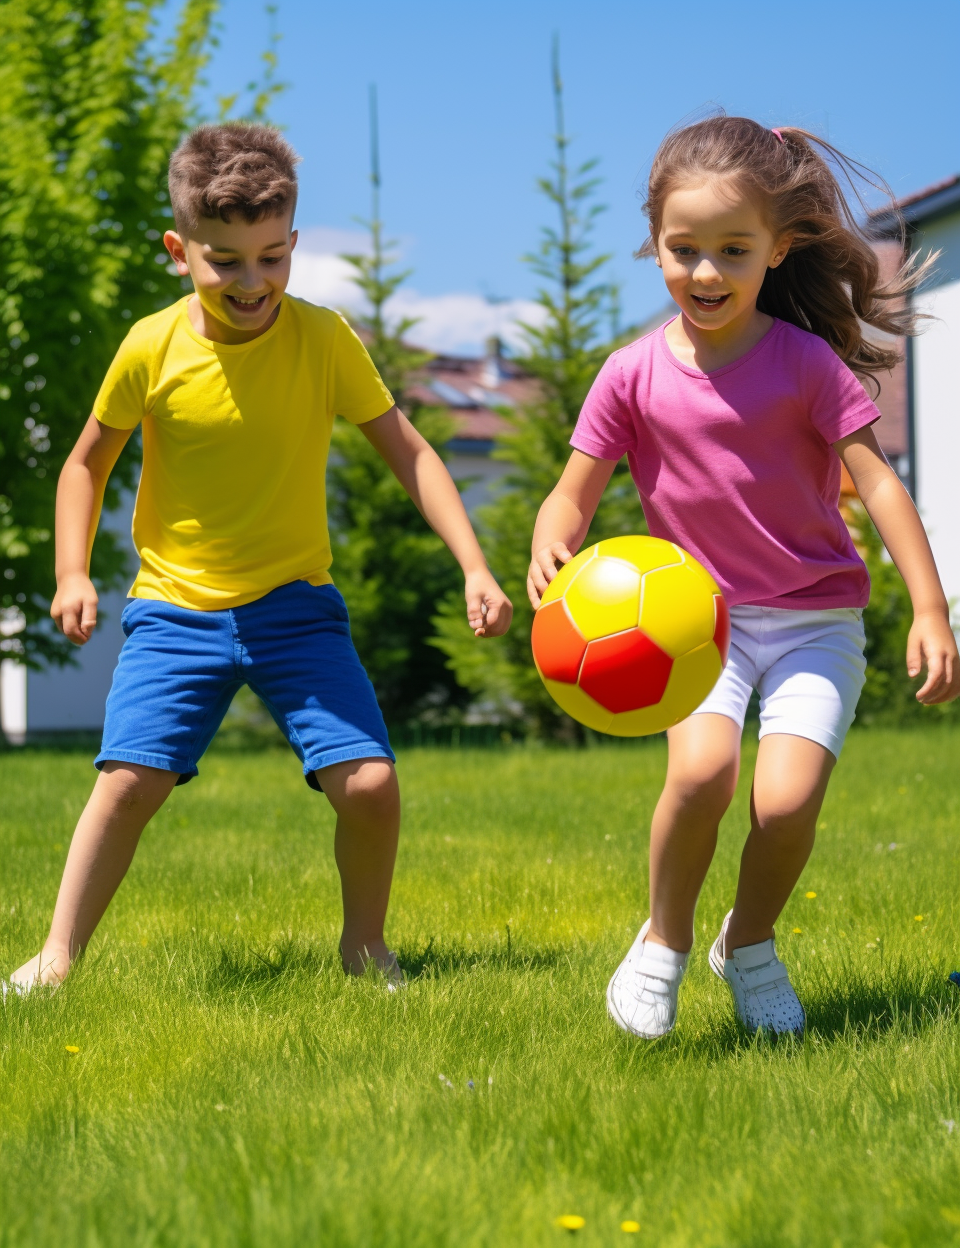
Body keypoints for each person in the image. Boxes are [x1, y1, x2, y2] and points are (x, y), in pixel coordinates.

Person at [5, 123, 511, 996]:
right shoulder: (151, 348)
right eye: (226, 262)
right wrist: (73, 572)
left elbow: (413, 452)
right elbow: (86, 462)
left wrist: (473, 563)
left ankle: (366, 949)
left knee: (371, 785)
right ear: (179, 250)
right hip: (175, 611)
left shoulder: (323, 341)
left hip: (294, 607)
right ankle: (55, 957)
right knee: (127, 784)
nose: (253, 283)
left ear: (294, 245)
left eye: (272, 259)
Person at [527, 116, 959, 1039]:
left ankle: (749, 942)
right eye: (684, 251)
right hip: (693, 622)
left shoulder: (806, 363)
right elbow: (571, 495)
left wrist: (930, 606)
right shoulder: (630, 375)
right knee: (704, 775)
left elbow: (877, 481)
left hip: (815, 618)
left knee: (788, 799)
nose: (707, 273)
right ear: (655, 245)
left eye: (733, 249)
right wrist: (551, 544)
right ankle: (663, 942)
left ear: (779, 248)